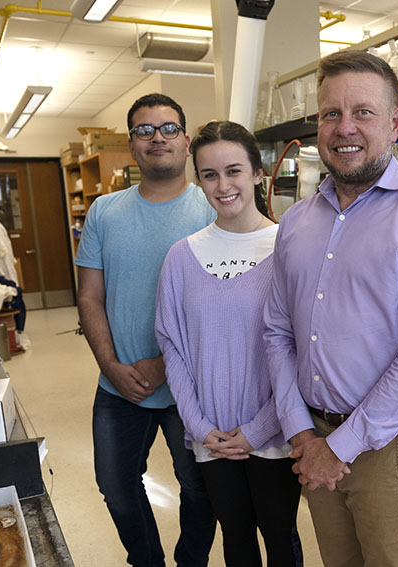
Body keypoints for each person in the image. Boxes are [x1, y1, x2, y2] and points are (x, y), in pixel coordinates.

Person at [264, 50, 398, 567]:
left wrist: (339, 447)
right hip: (312, 434)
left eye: (363, 112)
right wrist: (302, 432)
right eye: (330, 113)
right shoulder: (295, 222)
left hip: (388, 445)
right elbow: (275, 331)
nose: (344, 127)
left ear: (395, 122)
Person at [75, 93, 217, 567]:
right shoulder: (103, 212)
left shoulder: (212, 208)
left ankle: (190, 561)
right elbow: (89, 297)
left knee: (200, 486)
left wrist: (164, 365)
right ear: (132, 145)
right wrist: (111, 366)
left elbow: (222, 306)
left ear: (187, 140)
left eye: (168, 128)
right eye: (144, 130)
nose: (158, 137)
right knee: (115, 485)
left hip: (191, 387)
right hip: (119, 385)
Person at [155, 121, 303, 567]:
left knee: (281, 539)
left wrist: (259, 430)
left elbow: (301, 350)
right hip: (212, 437)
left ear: (258, 173)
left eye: (234, 171)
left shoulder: (289, 248)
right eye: (209, 175)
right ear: (198, 179)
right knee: (236, 540)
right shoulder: (181, 256)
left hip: (276, 433)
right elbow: (172, 347)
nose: (223, 185)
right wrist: (200, 428)